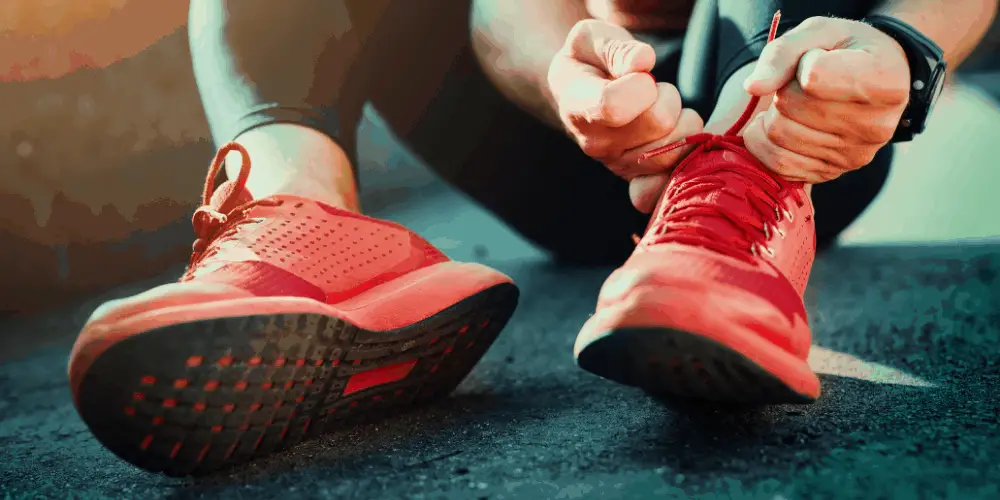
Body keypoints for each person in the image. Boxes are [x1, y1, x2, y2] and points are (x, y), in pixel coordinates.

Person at [66, 0, 996, 475]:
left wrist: (905, 47)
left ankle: (729, 211)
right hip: (561, 120)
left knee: (798, 60)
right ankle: (296, 224)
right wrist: (566, 79)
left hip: (804, 123)